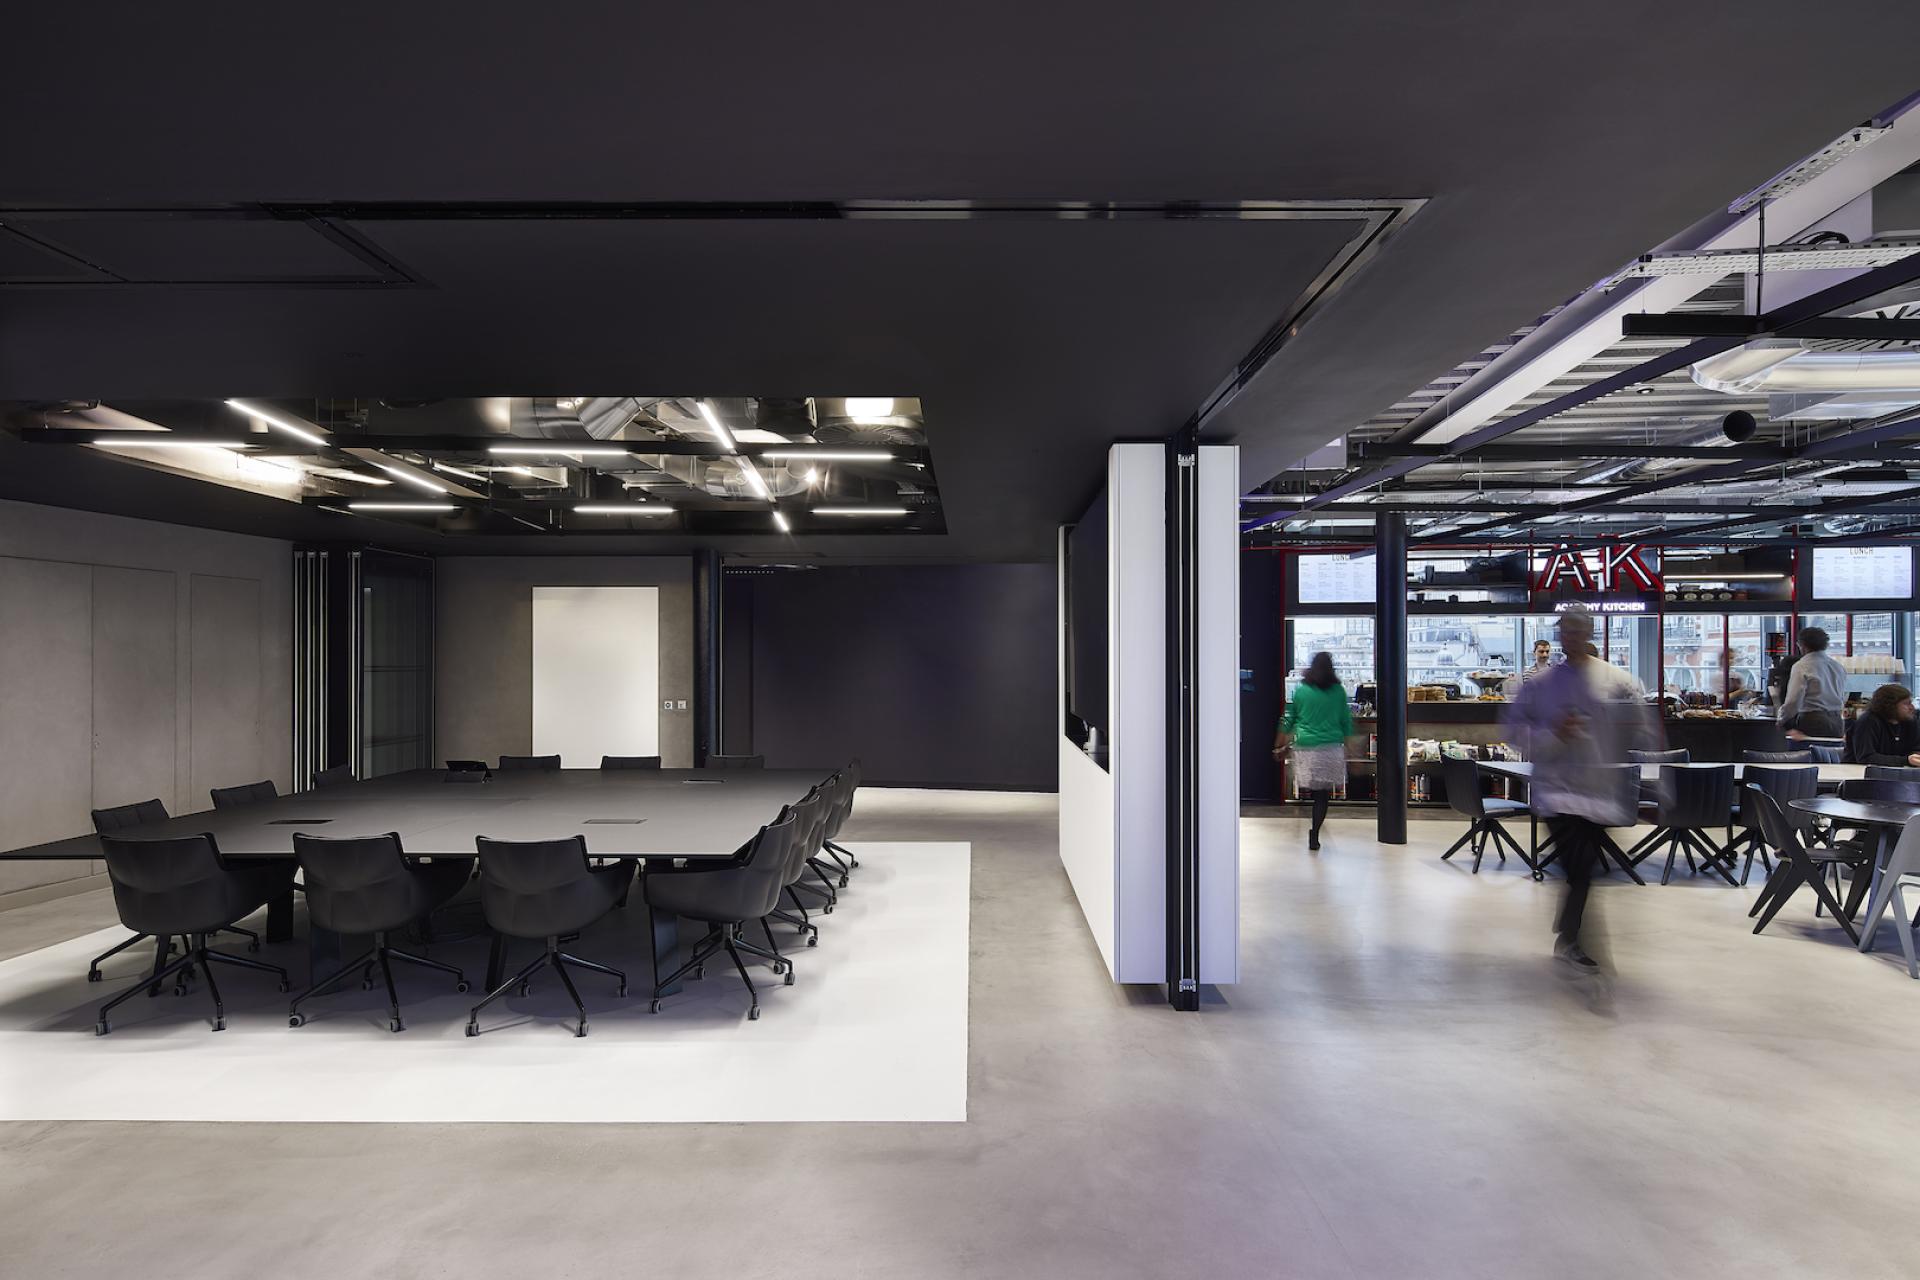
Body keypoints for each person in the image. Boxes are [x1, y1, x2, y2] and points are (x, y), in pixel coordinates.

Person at [1503, 607, 1660, 973]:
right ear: (1559, 636)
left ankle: (1569, 931)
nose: (1571, 637)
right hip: (1557, 792)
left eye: (1578, 630)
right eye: (1566, 631)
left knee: (1583, 869)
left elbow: (1643, 728)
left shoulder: (1616, 681)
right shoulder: (1540, 685)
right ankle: (1579, 940)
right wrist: (1553, 735)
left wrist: (1658, 790)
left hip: (1599, 791)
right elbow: (1513, 732)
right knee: (1581, 868)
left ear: (1589, 632)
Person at [1273, 651, 1353, 851]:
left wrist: (1279, 742)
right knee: (1322, 796)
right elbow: (1346, 722)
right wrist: (1351, 747)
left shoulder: (1301, 690)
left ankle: (1310, 826)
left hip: (1307, 748)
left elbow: (1289, 718)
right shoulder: (1338, 691)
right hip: (1331, 748)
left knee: (1311, 789)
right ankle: (1315, 833)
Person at [1777, 627, 1847, 740]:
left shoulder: (1801, 666)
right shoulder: (1837, 666)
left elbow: (1793, 701)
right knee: (1831, 756)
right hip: (1837, 721)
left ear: (1802, 645)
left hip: (1813, 721)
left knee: (1809, 756)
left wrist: (1782, 719)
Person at [1847, 683, 1920, 767]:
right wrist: (1906, 761)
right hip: (1860, 775)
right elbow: (1866, 758)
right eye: (1906, 704)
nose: (1912, 707)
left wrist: (1915, 758)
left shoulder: (1910, 721)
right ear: (1890, 705)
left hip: (1899, 774)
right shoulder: (1868, 722)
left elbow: (1916, 749)